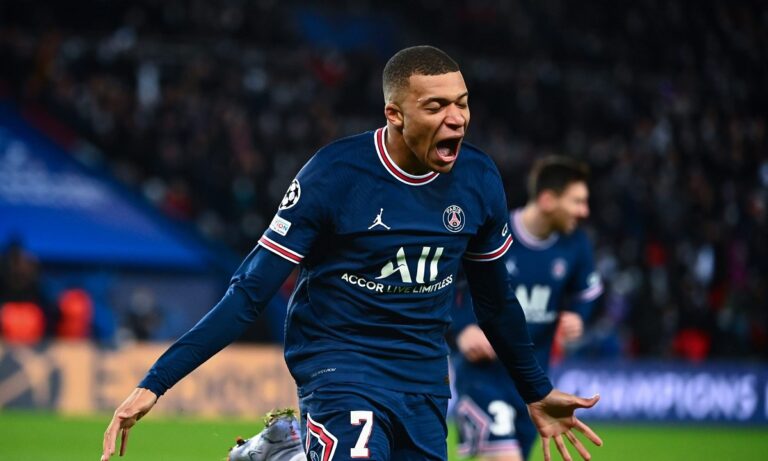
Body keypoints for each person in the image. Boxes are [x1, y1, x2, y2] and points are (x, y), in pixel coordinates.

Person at [101, 46, 602, 461]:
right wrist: (156, 382)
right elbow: (250, 291)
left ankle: (288, 454)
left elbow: (496, 304)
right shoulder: (334, 175)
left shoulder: (479, 180)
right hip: (339, 361)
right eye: (435, 107)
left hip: (424, 376)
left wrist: (536, 391)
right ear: (395, 114)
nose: (456, 119)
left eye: (462, 104)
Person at [451, 156, 603, 461]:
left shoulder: (576, 244)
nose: (584, 211)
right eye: (577, 201)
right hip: (483, 376)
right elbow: (442, 283)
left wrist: (578, 316)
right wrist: (460, 329)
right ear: (547, 200)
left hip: (533, 383)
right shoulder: (492, 232)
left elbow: (587, 294)